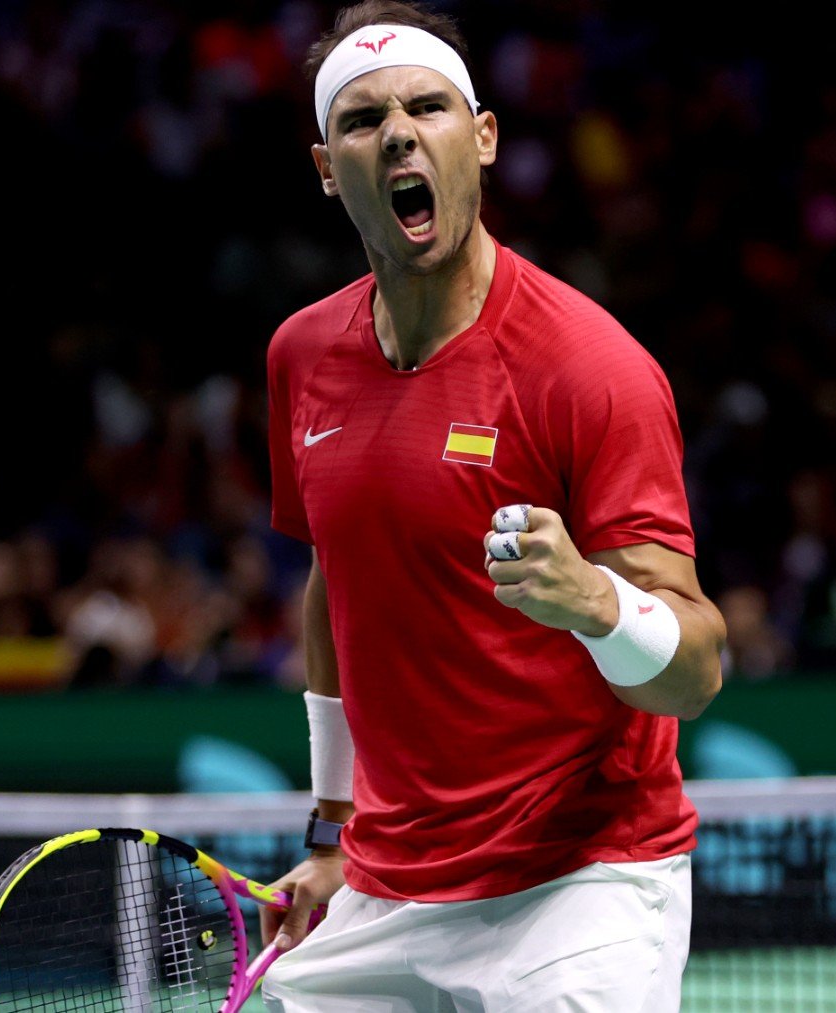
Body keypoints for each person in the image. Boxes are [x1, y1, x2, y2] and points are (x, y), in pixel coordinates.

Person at [259, 4, 726, 1010]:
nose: (397, 133)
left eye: (428, 106)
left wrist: (597, 603)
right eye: (362, 118)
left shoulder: (587, 368)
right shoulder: (301, 356)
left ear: (483, 139)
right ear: (327, 167)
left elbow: (696, 669)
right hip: (385, 886)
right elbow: (332, 581)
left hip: (577, 888)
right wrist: (331, 830)